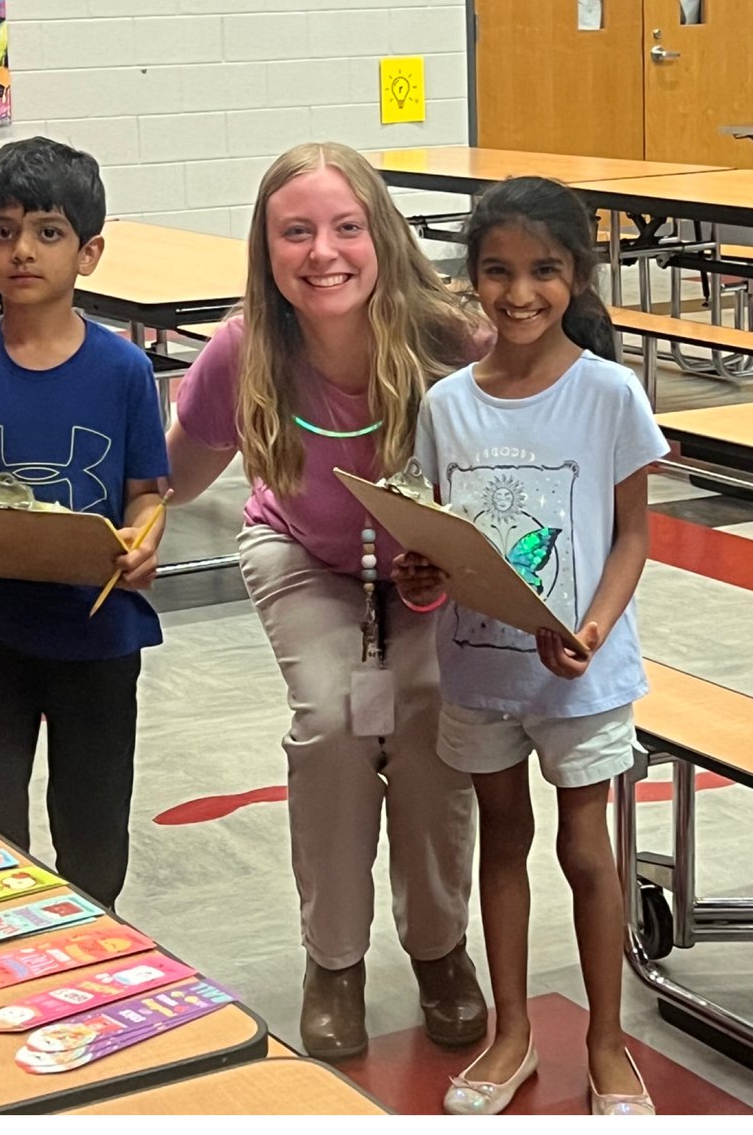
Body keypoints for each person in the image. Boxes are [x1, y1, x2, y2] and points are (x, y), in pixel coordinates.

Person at [165, 142, 488, 1060]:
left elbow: (515, 469)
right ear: (267, 251)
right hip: (304, 553)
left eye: (346, 228)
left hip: (428, 567)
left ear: (381, 236)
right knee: (338, 722)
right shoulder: (245, 348)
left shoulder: (448, 340)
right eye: (295, 232)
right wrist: (104, 515)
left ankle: (440, 949)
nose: (323, 253)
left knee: (428, 727)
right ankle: (333, 962)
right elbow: (172, 478)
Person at [393, 176, 668, 1115]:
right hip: (478, 668)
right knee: (500, 841)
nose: (520, 294)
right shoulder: (446, 406)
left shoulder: (608, 395)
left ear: (578, 278)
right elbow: (436, 540)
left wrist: (591, 628)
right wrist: (417, 577)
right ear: (471, 279)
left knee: (588, 850)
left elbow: (633, 534)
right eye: (498, 272)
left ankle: (606, 1043)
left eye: (544, 272)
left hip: (583, 677)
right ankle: (511, 1033)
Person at [0, 136, 169, 911]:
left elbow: (147, 492)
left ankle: (95, 946)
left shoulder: (122, 368)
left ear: (88, 252)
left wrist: (143, 543)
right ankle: (7, 939)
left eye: (48, 232)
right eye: (3, 232)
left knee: (92, 825)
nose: (24, 250)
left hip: (94, 634)